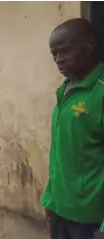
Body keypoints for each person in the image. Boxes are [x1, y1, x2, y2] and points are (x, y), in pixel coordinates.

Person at [41, 18, 104, 239]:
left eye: (64, 51)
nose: (58, 60)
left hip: (89, 220)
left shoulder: (100, 92)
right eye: (53, 54)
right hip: (59, 212)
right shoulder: (65, 90)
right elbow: (60, 152)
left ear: (89, 45)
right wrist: (50, 199)